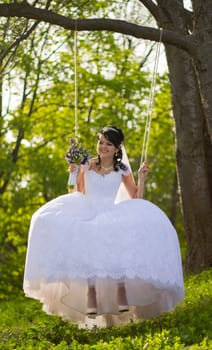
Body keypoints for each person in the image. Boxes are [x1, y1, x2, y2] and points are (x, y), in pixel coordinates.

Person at [23, 125, 184, 328]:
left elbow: (135, 197)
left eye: (108, 144)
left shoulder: (122, 170)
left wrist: (142, 178)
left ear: (117, 148)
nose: (103, 147)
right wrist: (73, 172)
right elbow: (78, 191)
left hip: (111, 211)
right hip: (88, 209)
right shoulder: (88, 165)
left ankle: (121, 290)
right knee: (61, 225)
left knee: (113, 235)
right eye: (101, 142)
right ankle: (91, 294)